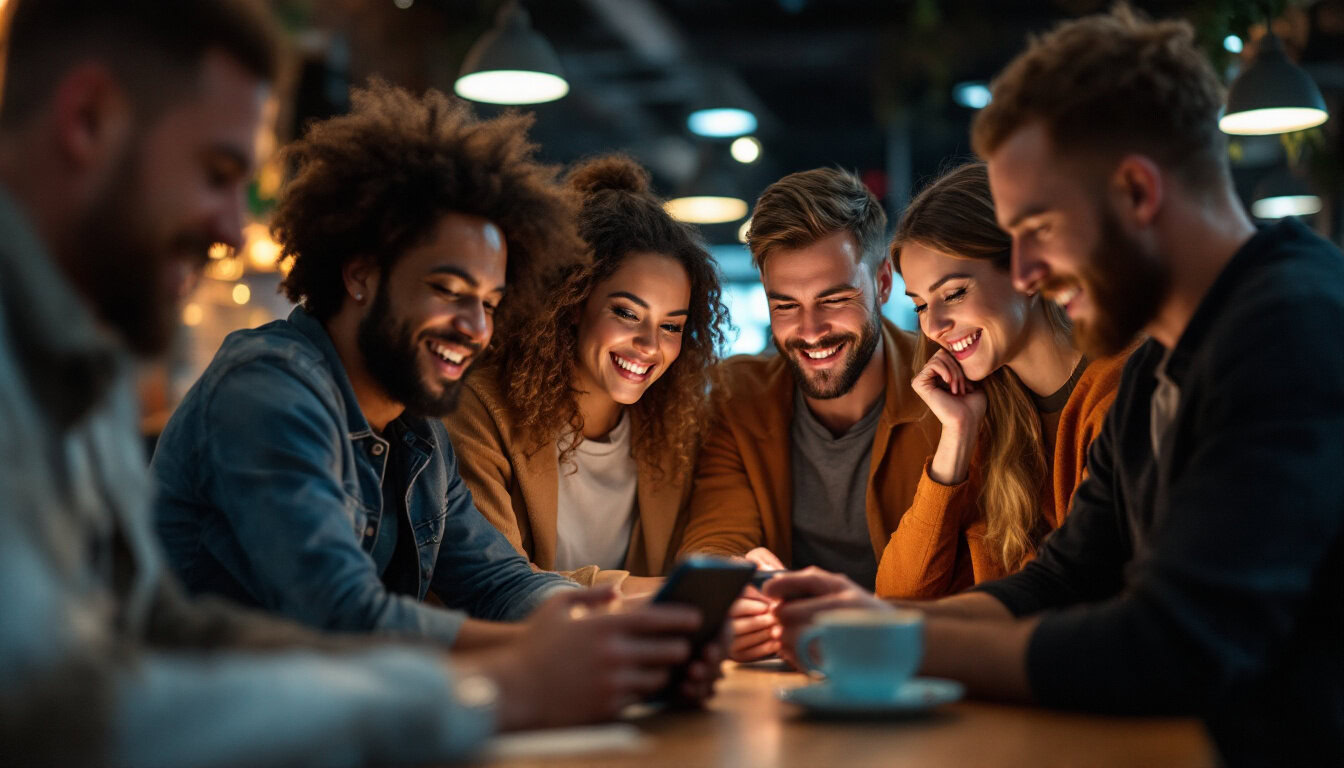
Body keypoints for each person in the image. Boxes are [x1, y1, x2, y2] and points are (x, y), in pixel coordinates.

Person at [0, 1, 715, 765]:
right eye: (216, 173)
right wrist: (510, 679)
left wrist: (597, 638)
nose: (232, 232)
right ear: (362, 273)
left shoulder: (410, 429)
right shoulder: (268, 386)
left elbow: (161, 628)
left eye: (491, 303)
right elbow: (335, 615)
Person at [764, 8, 1343, 767]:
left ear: (1136, 191)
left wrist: (900, 644)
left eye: (1038, 228)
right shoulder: (1158, 361)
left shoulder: (1289, 328)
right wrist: (869, 621)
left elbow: (1175, 645)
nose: (1029, 274)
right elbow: (1067, 576)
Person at [678, 167, 939, 659]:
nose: (811, 330)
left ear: (883, 282)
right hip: (789, 667)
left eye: (834, 299)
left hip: (916, 663)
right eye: (785, 305)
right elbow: (716, 539)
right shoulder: (739, 396)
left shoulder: (945, 390)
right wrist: (738, 589)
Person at [444, 154, 727, 593]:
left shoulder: (676, 427)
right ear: (573, 302)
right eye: (627, 313)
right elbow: (493, 584)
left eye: (671, 325)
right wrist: (670, 592)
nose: (651, 345)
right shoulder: (481, 409)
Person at [875, 161, 1127, 599]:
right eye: (919, 305)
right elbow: (900, 593)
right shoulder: (991, 411)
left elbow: (1087, 593)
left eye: (953, 293)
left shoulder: (1120, 395)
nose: (933, 325)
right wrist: (956, 436)